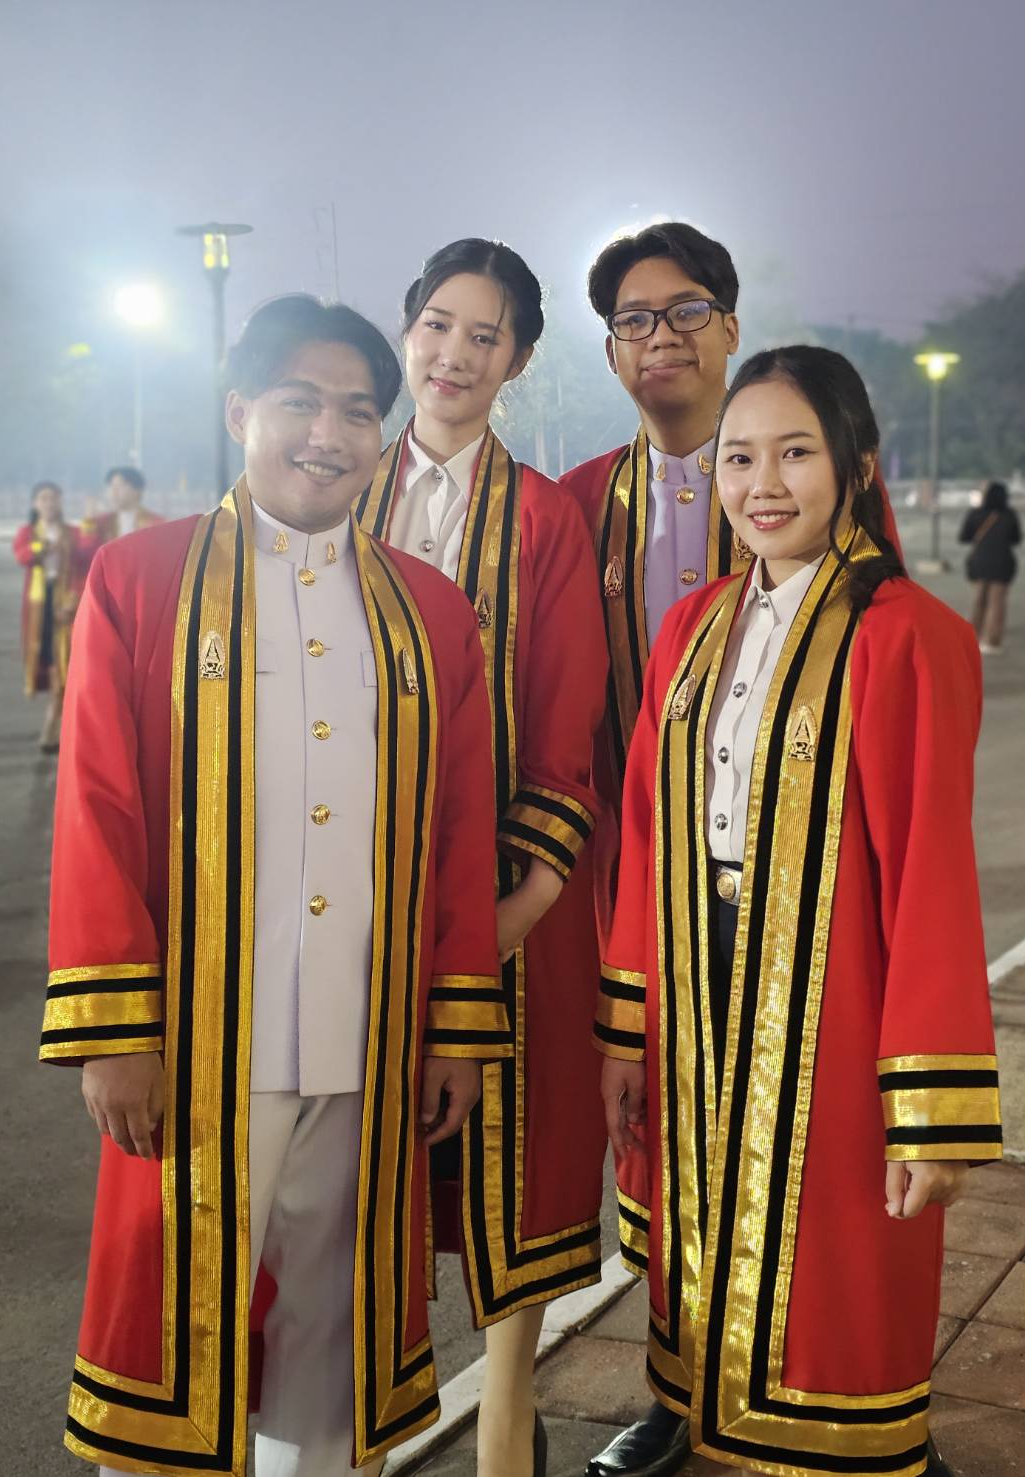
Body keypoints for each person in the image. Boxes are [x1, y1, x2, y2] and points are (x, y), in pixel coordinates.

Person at [39, 294, 511, 1477]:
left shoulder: (428, 610)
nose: (327, 434)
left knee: (330, 1342)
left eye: (356, 411)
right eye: (300, 401)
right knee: (169, 1334)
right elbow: (97, 808)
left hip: (368, 1040)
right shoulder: (141, 578)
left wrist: (456, 1027)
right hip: (202, 1044)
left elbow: (459, 836)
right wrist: (114, 1032)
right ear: (240, 409)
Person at [594, 345, 1001, 1477]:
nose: (761, 484)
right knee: (699, 1212)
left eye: (794, 453)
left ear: (856, 465)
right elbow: (646, 833)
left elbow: (931, 874)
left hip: (839, 985)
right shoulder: (692, 629)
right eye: (738, 457)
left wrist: (928, 1105)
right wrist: (626, 1026)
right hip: (695, 968)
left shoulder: (906, 633)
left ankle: (865, 1438)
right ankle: (688, 1400)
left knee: (835, 1242)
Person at [352, 239, 608, 1477]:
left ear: (519, 360)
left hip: (503, 904)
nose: (454, 354)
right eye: (437, 326)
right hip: (344, 898)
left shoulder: (545, 518)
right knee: (351, 1169)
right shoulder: (338, 483)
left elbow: (566, 736)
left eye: (485, 335)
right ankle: (352, 1400)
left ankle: (506, 1407)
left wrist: (501, 920)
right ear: (406, 333)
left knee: (511, 1161)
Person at [559, 222, 745, 1477]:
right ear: (611, 350)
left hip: (784, 880)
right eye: (633, 319)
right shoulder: (581, 503)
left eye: (684, 310)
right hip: (634, 893)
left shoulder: (803, 468)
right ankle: (676, 1387)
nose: (659, 336)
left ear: (729, 325)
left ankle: (842, 1384)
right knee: (657, 1140)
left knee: (808, 1131)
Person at [12, 480, 91, 751]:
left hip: (66, 604)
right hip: (39, 606)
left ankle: (51, 730)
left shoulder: (72, 532)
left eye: (54, 498)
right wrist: (41, 547)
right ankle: (57, 727)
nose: (49, 503)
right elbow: (22, 555)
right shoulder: (28, 532)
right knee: (49, 661)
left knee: (65, 664)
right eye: (44, 498)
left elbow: (86, 558)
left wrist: (74, 599)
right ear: (35, 504)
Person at [959, 479, 1022, 653]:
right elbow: (1016, 539)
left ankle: (972, 638)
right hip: (1003, 563)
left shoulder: (975, 513)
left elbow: (964, 537)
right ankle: (992, 642)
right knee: (997, 603)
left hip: (980, 562)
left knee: (978, 601)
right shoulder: (1010, 515)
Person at [82, 465, 163, 547]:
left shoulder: (155, 523)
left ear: (137, 491)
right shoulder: (105, 522)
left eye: (119, 486)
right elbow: (88, 549)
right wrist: (89, 519)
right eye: (111, 486)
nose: (113, 492)